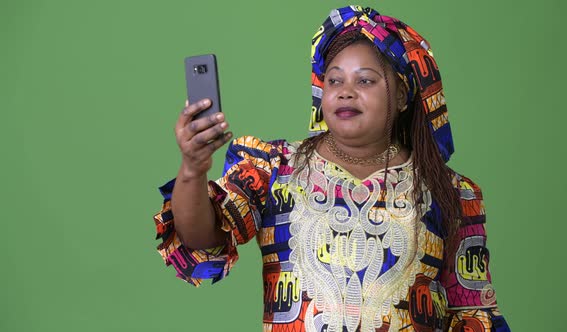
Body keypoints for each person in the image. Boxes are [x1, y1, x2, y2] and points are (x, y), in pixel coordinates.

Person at [153, 6, 510, 332]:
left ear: (402, 95)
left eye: (365, 80)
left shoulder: (451, 193)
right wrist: (192, 170)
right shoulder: (273, 168)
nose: (345, 92)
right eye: (334, 80)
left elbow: (471, 312)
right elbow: (201, 240)